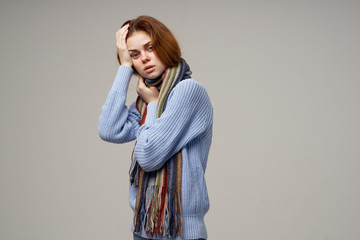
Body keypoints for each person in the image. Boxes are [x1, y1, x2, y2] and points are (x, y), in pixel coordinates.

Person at [98, 16, 213, 240]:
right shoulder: (144, 102)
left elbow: (149, 156)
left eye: (150, 47)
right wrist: (123, 69)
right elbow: (108, 129)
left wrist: (152, 104)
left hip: (181, 233)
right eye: (134, 55)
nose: (145, 59)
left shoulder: (188, 91)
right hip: (143, 230)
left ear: (164, 45)